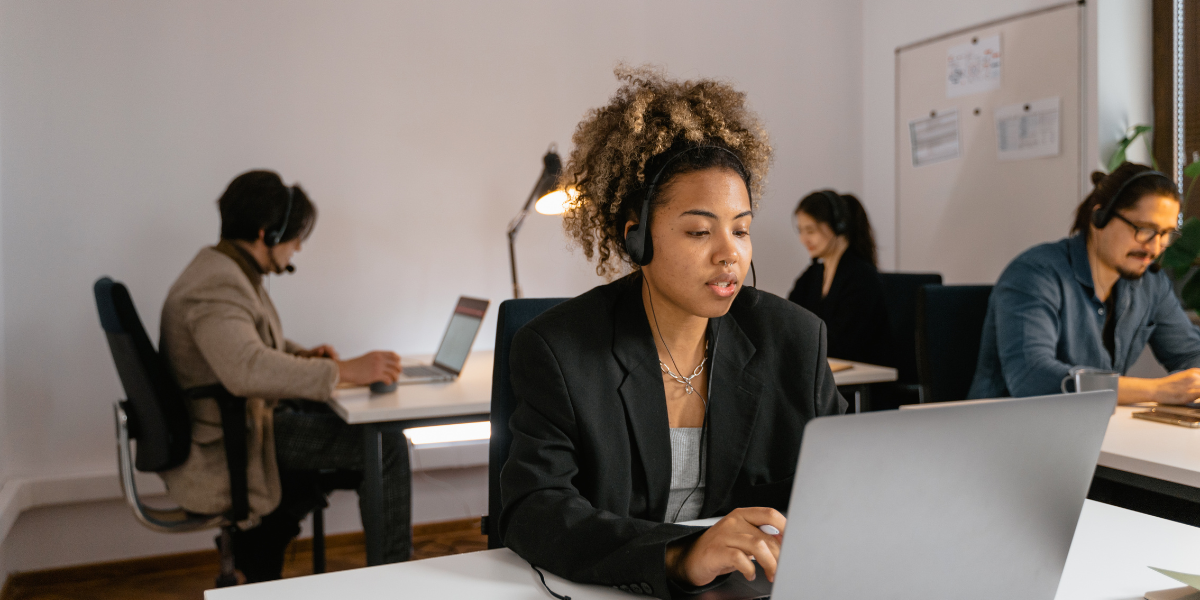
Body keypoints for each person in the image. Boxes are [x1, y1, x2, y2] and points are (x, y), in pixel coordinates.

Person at [498, 66, 845, 600]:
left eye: (742, 229)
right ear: (636, 238)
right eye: (700, 231)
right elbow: (535, 508)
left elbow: (846, 482)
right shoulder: (560, 350)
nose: (730, 253)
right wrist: (680, 555)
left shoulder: (796, 340)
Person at [159, 170, 410, 582]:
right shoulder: (217, 284)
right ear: (267, 234)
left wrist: (303, 357)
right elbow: (246, 369)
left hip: (243, 424)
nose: (296, 249)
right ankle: (396, 583)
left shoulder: (225, 269)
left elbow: (247, 344)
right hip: (236, 440)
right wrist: (344, 370)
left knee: (369, 438)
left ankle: (375, 572)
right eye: (295, 239)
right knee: (385, 446)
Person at [969, 162, 1200, 402]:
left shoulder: (1150, 283)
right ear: (1099, 217)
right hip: (1005, 431)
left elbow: (1191, 353)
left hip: (1093, 427)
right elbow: (1031, 376)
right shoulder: (1035, 274)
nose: (1154, 247)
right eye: (1144, 229)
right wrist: (1156, 390)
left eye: (1165, 234)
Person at [788, 190, 894, 367]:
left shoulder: (861, 276)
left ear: (838, 226)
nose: (803, 239)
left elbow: (844, 343)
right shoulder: (813, 274)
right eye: (801, 231)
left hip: (863, 379)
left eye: (811, 231)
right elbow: (788, 318)